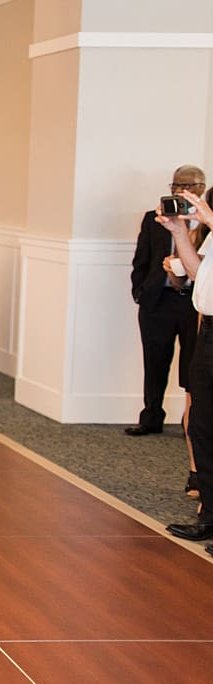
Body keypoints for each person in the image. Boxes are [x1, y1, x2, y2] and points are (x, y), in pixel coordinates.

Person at [127, 165, 205, 440]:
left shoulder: (207, 224)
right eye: (175, 186)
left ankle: (190, 422)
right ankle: (151, 416)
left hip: (193, 304)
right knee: (155, 360)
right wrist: (140, 291)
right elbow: (141, 260)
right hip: (157, 301)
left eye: (189, 185)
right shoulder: (154, 219)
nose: (181, 191)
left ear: (202, 188)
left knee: (192, 365)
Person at [155, 188, 213, 555]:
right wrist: (179, 232)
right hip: (208, 330)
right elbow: (196, 274)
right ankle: (209, 514)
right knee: (203, 426)